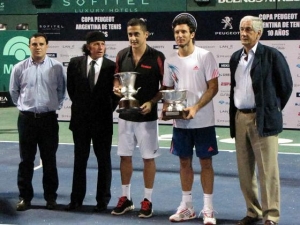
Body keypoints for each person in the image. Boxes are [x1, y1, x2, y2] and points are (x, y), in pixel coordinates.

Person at [229, 16, 293, 225]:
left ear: (259, 33)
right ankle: (253, 211)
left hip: (262, 119)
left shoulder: (272, 56)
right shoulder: (235, 57)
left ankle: (271, 215)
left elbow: (286, 87)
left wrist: (269, 110)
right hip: (240, 118)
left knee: (268, 172)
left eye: (248, 29)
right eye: (241, 29)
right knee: (245, 171)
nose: (243, 33)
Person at [163, 13, 219, 225]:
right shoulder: (170, 60)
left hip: (203, 121)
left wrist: (195, 107)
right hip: (181, 123)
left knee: (206, 162)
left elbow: (213, 88)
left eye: (184, 32)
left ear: (192, 34)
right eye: (177, 32)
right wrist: (167, 108)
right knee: (184, 161)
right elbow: (169, 89)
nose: (179, 35)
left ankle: (208, 209)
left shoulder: (205, 56)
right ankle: (187, 207)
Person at [111, 18, 165, 218]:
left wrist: (152, 102)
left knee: (148, 159)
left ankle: (147, 200)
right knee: (125, 157)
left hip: (147, 118)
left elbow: (165, 87)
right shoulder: (121, 55)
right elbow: (117, 77)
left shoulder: (157, 57)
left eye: (136, 34)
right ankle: (126, 198)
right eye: (130, 34)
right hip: (125, 115)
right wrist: (116, 87)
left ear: (146, 35)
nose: (133, 38)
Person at [9, 32, 66, 211]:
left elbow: (62, 91)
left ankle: (51, 198)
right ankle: (25, 198)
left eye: (41, 44)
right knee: (26, 160)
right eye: (34, 44)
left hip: (49, 120)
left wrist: (51, 106)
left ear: (47, 46)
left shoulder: (57, 67)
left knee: (50, 160)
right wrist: (25, 107)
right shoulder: (19, 67)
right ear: (29, 46)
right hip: (27, 120)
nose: (38, 47)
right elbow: (13, 92)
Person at [65, 31, 118, 212]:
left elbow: (115, 96)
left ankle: (102, 201)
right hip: (80, 121)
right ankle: (76, 200)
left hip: (103, 122)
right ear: (88, 46)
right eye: (96, 44)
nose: (100, 47)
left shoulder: (112, 67)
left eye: (103, 44)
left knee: (104, 162)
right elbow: (71, 90)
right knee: (80, 161)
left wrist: (103, 112)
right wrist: (84, 109)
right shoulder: (74, 64)